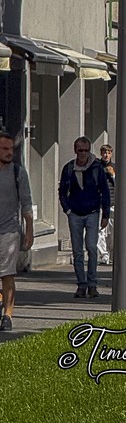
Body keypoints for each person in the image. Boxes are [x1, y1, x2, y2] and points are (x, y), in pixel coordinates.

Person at [59, 136, 111, 299]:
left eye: (86, 150)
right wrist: (67, 210)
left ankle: (92, 284)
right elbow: (62, 192)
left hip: (92, 213)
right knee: (77, 251)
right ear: (75, 151)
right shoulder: (69, 168)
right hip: (74, 213)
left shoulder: (96, 168)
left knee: (91, 247)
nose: (83, 154)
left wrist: (105, 214)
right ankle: (81, 285)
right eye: (80, 150)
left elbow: (105, 191)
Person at [0, 130, 33, 333]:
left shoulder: (17, 173)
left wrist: (29, 231)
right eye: (4, 148)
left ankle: (7, 315)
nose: (9, 152)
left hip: (10, 231)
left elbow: (27, 204)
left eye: (11, 149)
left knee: (7, 275)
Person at [97, 144, 117, 264]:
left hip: (113, 203)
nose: (106, 155)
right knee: (100, 231)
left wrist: (113, 174)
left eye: (108, 153)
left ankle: (112, 253)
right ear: (101, 153)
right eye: (104, 152)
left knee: (112, 232)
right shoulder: (97, 167)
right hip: (99, 204)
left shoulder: (115, 167)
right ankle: (104, 254)